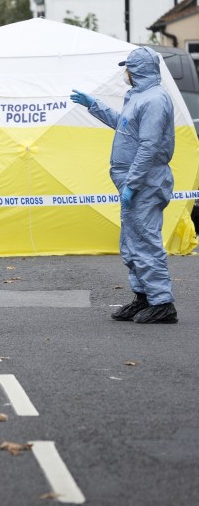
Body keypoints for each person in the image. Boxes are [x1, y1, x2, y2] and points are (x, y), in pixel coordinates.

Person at [71, 46, 178, 324]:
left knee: (146, 241)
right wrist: (93, 105)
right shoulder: (139, 97)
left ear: (139, 70)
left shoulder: (154, 100)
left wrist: (133, 183)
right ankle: (144, 297)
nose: (125, 73)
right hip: (136, 181)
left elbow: (149, 146)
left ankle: (162, 302)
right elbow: (124, 127)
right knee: (132, 242)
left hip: (145, 181)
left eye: (128, 68)